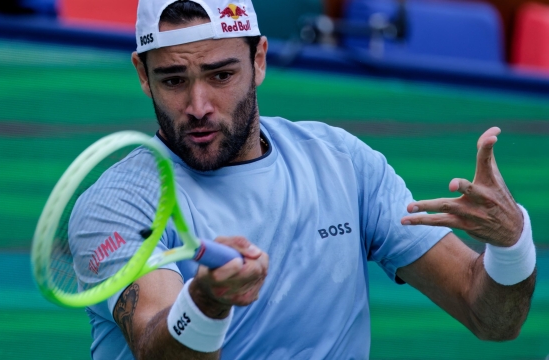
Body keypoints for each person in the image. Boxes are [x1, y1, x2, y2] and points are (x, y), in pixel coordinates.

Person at [69, 1, 537, 359]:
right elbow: (155, 345)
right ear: (143, 76)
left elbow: (489, 318)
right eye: (173, 80)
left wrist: (512, 244)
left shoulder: (343, 163)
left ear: (259, 60)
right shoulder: (118, 203)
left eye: (221, 74)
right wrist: (207, 303)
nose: (198, 105)